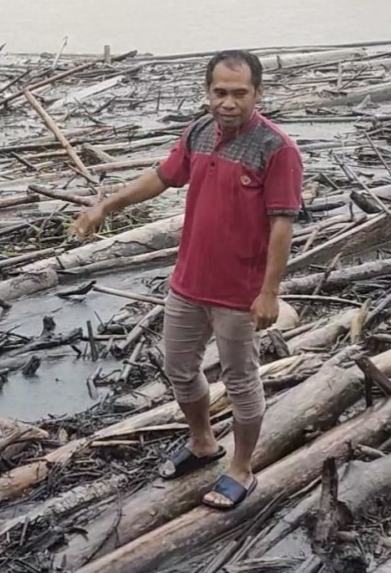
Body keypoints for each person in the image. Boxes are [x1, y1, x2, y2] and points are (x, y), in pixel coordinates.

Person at [70, 49, 303, 510]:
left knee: (240, 381)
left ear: (258, 93)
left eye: (240, 93)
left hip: (239, 292)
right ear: (207, 91)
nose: (228, 102)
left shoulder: (277, 149)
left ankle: (241, 469)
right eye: (220, 92)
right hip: (189, 281)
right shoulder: (198, 132)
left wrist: (269, 292)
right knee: (178, 368)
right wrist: (105, 206)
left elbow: (282, 225)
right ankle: (202, 443)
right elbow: (162, 177)